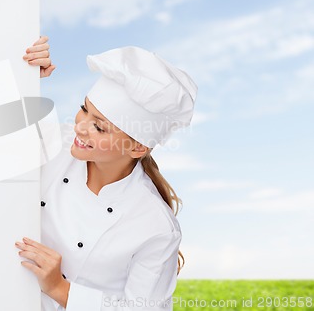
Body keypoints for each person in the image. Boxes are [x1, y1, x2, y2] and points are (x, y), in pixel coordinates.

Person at [15, 36, 198, 310]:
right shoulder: (55, 144)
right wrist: (26, 78)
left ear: (137, 146)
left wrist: (60, 289)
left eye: (99, 127)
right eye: (83, 109)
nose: (79, 127)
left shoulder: (156, 226)